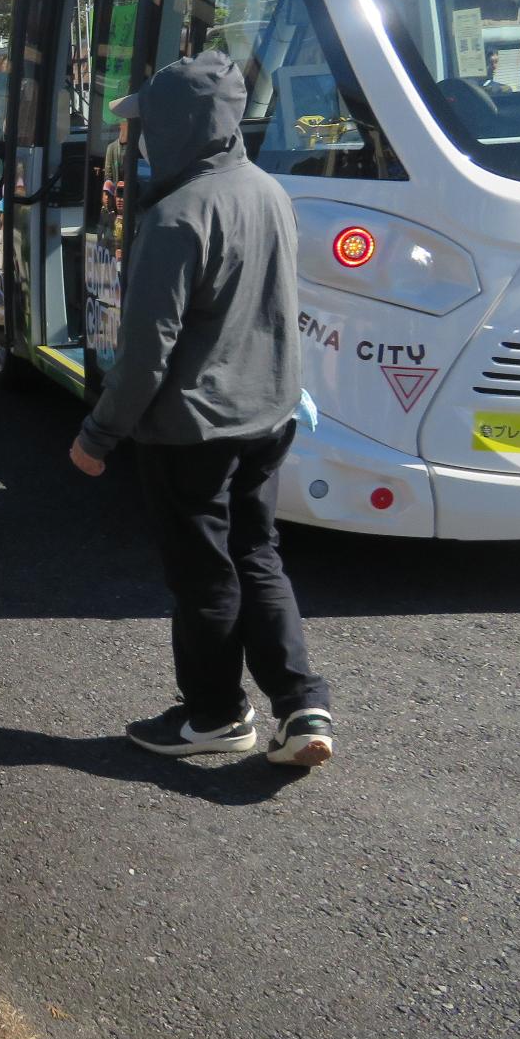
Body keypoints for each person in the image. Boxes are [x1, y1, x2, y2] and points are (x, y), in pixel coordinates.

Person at [67, 51, 335, 767]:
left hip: (193, 428)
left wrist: (99, 434)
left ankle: (217, 713)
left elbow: (148, 348)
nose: (141, 139)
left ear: (180, 125)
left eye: (149, 124)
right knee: (257, 554)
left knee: (203, 575)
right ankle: (303, 701)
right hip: (269, 414)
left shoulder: (177, 215)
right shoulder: (268, 191)